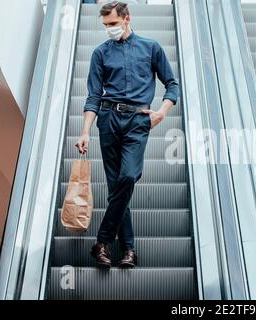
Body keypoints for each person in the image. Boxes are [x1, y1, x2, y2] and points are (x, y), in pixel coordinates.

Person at [75, 1, 179, 269]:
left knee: (128, 177)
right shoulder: (100, 53)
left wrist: (162, 112)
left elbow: (172, 84)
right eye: (105, 25)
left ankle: (102, 242)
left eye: (112, 23)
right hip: (108, 120)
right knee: (117, 188)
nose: (109, 29)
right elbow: (93, 96)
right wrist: (85, 131)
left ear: (126, 19)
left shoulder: (151, 47)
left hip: (137, 120)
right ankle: (129, 251)